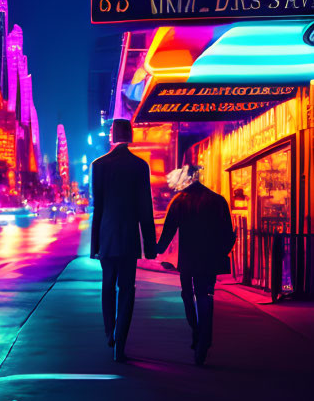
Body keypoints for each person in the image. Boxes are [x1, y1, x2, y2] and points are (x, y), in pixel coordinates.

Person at [90, 119, 157, 361]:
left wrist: (94, 244)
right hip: (130, 238)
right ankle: (121, 340)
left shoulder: (99, 165)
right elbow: (145, 208)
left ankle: (110, 332)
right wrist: (150, 245)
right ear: (130, 135)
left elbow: (97, 207)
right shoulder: (140, 166)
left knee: (108, 285)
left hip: (107, 238)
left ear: (112, 136)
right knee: (127, 289)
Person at [157, 164, 236, 366]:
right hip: (209, 259)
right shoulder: (217, 200)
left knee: (187, 295)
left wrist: (154, 249)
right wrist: (221, 253)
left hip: (188, 260)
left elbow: (167, 233)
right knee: (206, 295)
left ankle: (196, 330)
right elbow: (228, 234)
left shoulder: (180, 201)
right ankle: (204, 340)